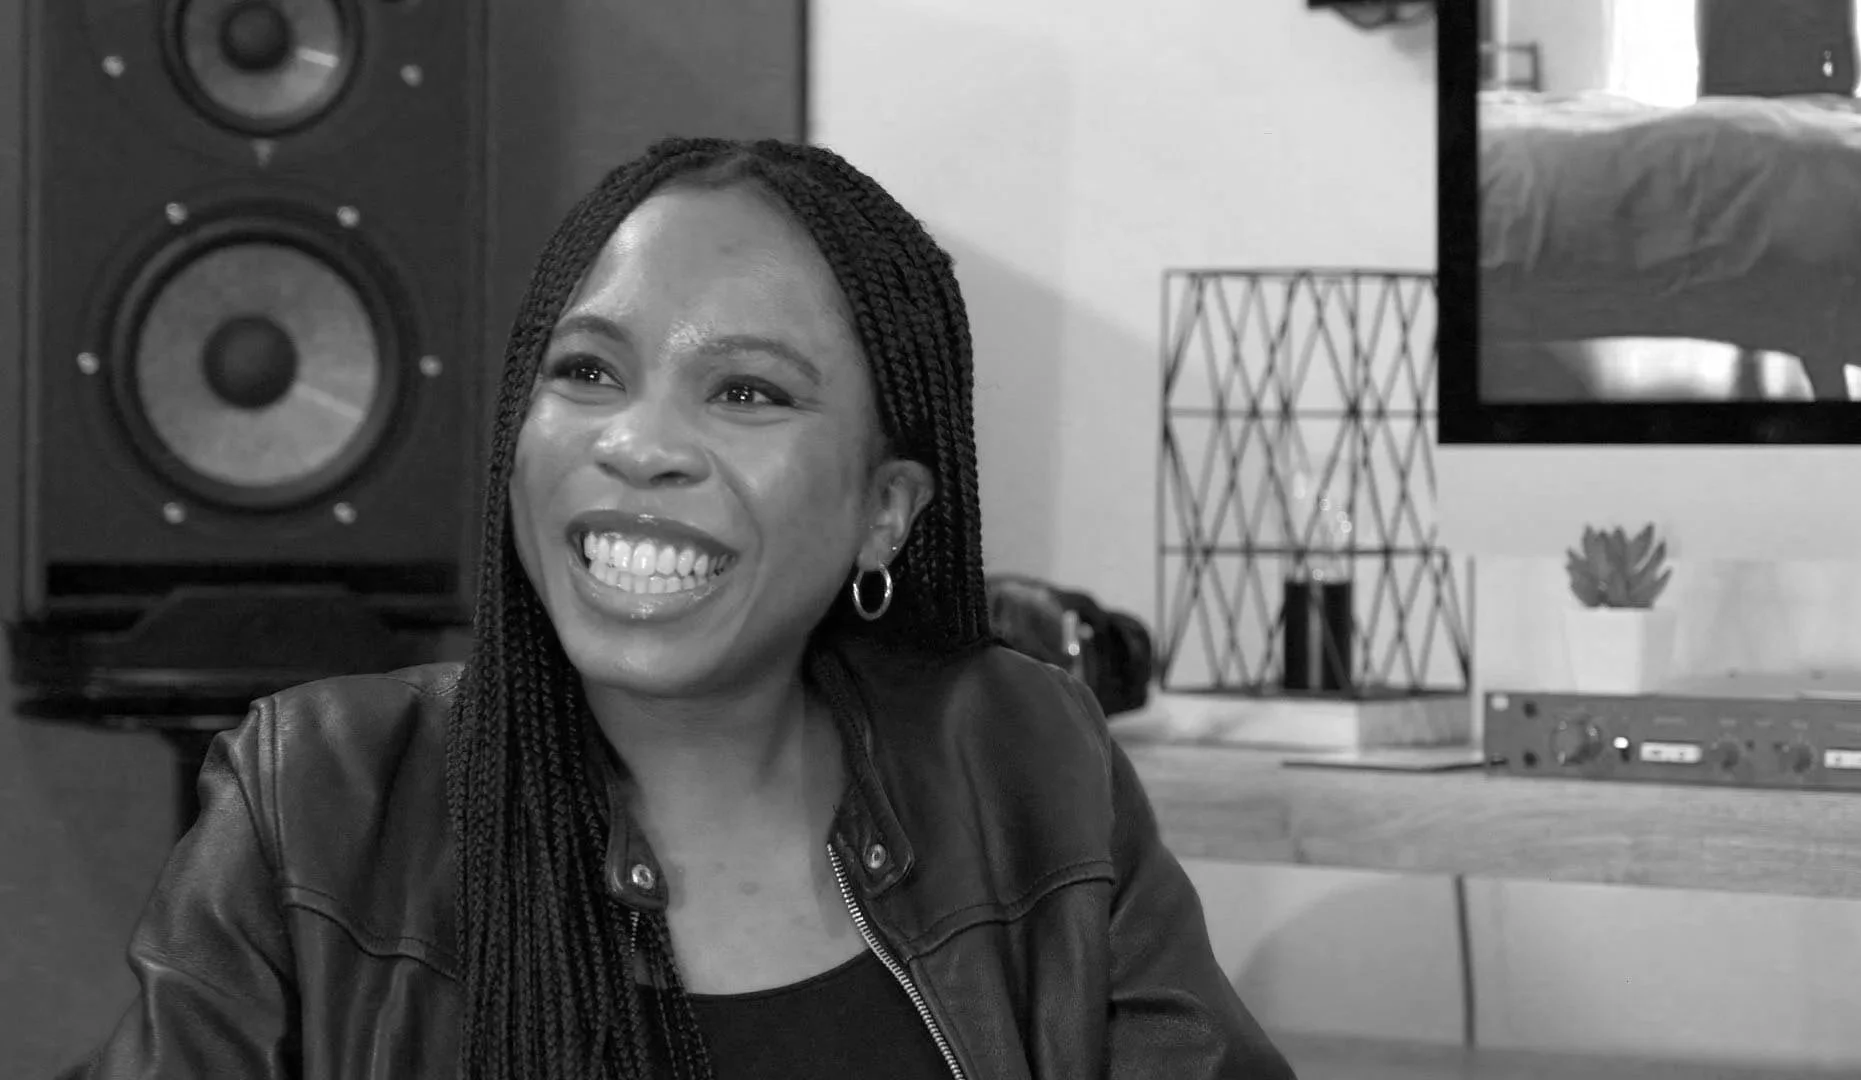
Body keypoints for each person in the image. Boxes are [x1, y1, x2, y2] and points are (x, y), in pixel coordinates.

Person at [68, 137, 1294, 1079]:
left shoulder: (1025, 762)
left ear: (885, 510)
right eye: (587, 371)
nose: (639, 443)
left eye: (748, 391)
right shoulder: (316, 801)